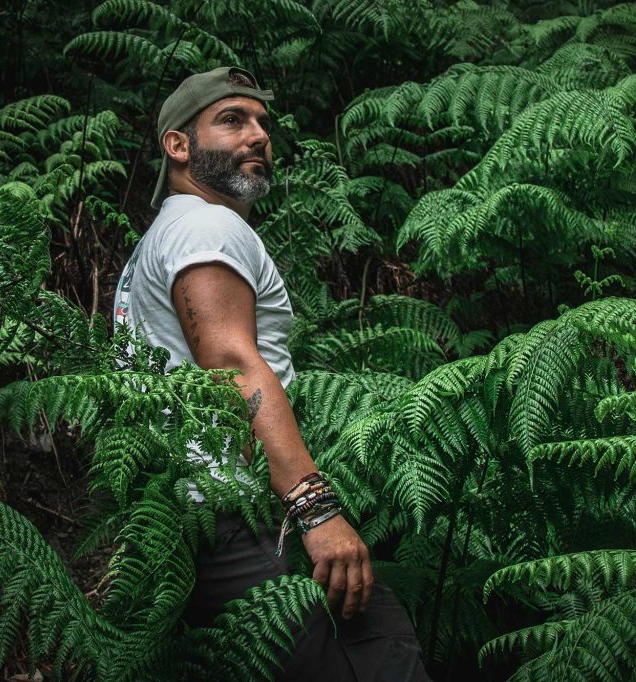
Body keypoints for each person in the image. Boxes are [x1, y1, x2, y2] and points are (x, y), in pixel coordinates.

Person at [112, 66, 430, 681]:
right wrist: (315, 510)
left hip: (196, 518)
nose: (258, 135)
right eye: (232, 120)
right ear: (177, 145)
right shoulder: (207, 226)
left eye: (262, 123)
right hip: (244, 517)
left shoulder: (167, 234)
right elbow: (232, 365)